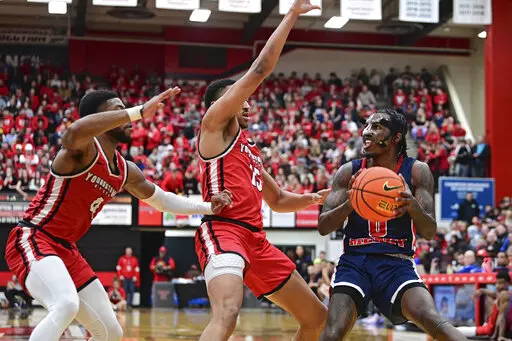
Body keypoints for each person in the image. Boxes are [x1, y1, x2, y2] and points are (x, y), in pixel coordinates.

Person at [4, 88, 233, 341]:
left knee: (111, 332)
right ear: (97, 119)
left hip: (66, 250)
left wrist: (206, 207)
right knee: (66, 304)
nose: (126, 119)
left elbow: (162, 200)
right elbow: (73, 132)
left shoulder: (126, 170)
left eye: (125, 110)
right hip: (34, 237)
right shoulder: (82, 149)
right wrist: (135, 112)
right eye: (117, 110)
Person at [194, 0, 330, 339]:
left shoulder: (250, 151)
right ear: (220, 104)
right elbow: (258, 71)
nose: (248, 101)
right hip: (223, 231)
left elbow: (280, 199)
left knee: (316, 317)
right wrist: (291, 15)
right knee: (227, 314)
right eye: (238, 97)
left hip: (256, 240)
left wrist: (314, 197)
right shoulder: (212, 127)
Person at [317, 108, 467, 341]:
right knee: (332, 333)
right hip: (355, 262)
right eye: (367, 125)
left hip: (397, 264)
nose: (367, 132)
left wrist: (413, 206)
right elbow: (323, 226)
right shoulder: (349, 171)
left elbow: (429, 232)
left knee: (435, 322)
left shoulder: (417, 171)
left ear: (396, 137)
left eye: (376, 127)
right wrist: (351, 202)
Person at [457, 271, 510, 338]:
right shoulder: (502, 294)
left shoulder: (504, 294)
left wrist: (499, 335)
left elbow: (501, 317)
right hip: (488, 327)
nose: (497, 286)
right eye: (496, 283)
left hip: (488, 330)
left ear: (508, 283)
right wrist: (481, 290)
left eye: (500, 283)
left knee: (454, 331)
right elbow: (494, 294)